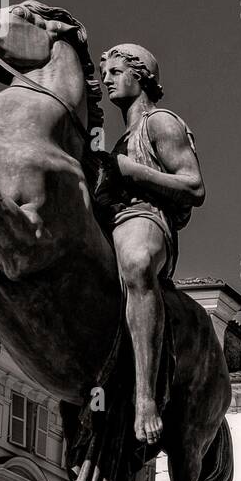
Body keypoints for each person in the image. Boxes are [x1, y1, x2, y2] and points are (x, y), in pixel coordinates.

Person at [95, 43, 205, 444]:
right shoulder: (117, 139)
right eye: (103, 72)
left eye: (114, 71)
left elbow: (194, 187)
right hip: (109, 223)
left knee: (139, 263)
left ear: (139, 75)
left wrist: (131, 171)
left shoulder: (160, 123)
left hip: (147, 217)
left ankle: (145, 397)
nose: (105, 78)